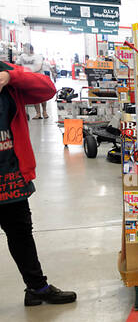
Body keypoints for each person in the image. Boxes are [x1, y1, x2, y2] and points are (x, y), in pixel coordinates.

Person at [0, 56, 77, 305]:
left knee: (21, 233)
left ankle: (37, 288)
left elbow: (47, 89)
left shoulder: (7, 75)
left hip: (9, 173)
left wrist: (12, 76)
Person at [15, 45, 49, 121]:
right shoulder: (22, 56)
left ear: (30, 50)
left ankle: (44, 111)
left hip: (39, 77)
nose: (24, 50)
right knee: (35, 96)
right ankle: (38, 113)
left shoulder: (38, 56)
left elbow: (39, 67)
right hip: (30, 78)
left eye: (25, 49)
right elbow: (17, 64)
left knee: (42, 96)